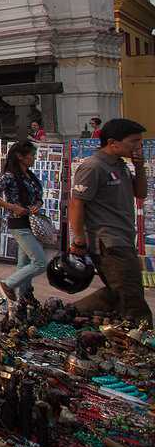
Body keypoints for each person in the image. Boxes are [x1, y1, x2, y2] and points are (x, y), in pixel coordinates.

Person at [70, 119, 151, 323]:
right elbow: (77, 204)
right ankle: (142, 341)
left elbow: (140, 193)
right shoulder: (93, 167)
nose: (138, 146)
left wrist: (139, 166)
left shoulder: (121, 165)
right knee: (133, 300)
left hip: (124, 238)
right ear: (113, 142)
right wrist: (78, 239)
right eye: (134, 141)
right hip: (109, 242)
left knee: (118, 293)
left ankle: (69, 313)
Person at [0, 141, 47, 308]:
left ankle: (25, 296)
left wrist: (38, 205)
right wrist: (12, 207)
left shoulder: (29, 175)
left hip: (32, 222)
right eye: (31, 155)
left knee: (24, 263)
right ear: (20, 156)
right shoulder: (10, 176)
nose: (34, 158)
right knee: (40, 262)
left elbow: (39, 197)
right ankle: (8, 284)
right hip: (19, 223)